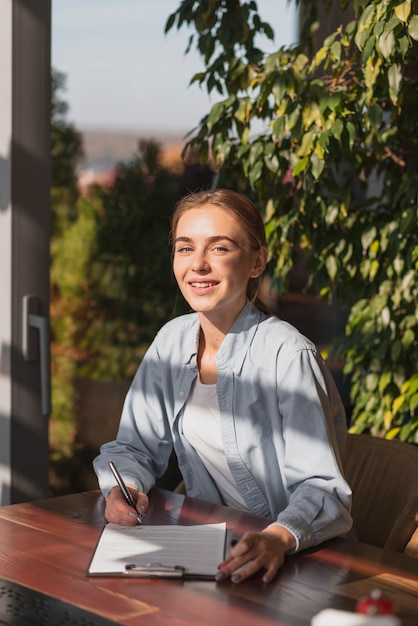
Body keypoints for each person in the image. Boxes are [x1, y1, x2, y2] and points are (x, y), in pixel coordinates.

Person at [93, 188, 353, 584]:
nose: (197, 264)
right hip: (214, 553)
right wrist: (122, 487)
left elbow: (323, 491)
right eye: (184, 248)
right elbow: (133, 447)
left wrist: (277, 539)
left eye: (219, 248)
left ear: (256, 261)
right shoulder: (170, 341)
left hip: (296, 560)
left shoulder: (289, 356)